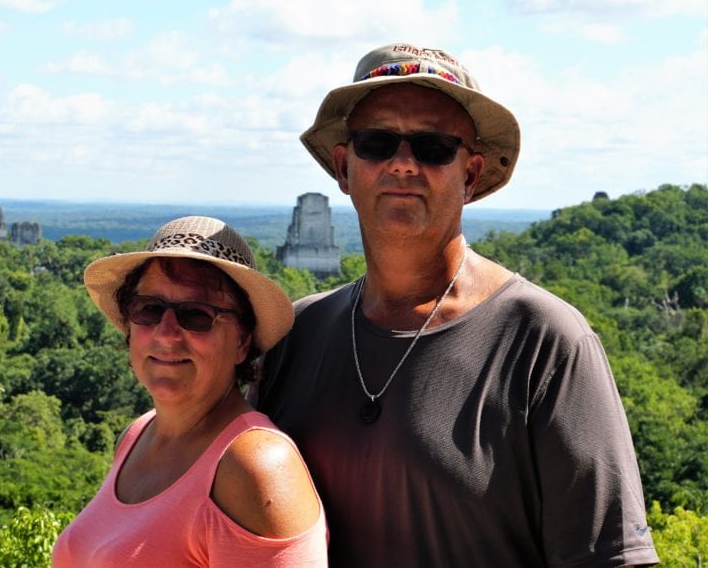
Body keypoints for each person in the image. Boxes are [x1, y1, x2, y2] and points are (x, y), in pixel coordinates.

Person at [251, 43, 659, 567]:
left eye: (433, 147)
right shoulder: (297, 334)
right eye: (376, 143)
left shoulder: (544, 340)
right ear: (343, 168)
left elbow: (610, 559)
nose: (403, 164)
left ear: (469, 175)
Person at [52, 215, 328, 567]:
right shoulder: (137, 435)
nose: (166, 334)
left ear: (242, 342)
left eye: (197, 315)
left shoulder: (253, 466)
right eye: (149, 309)